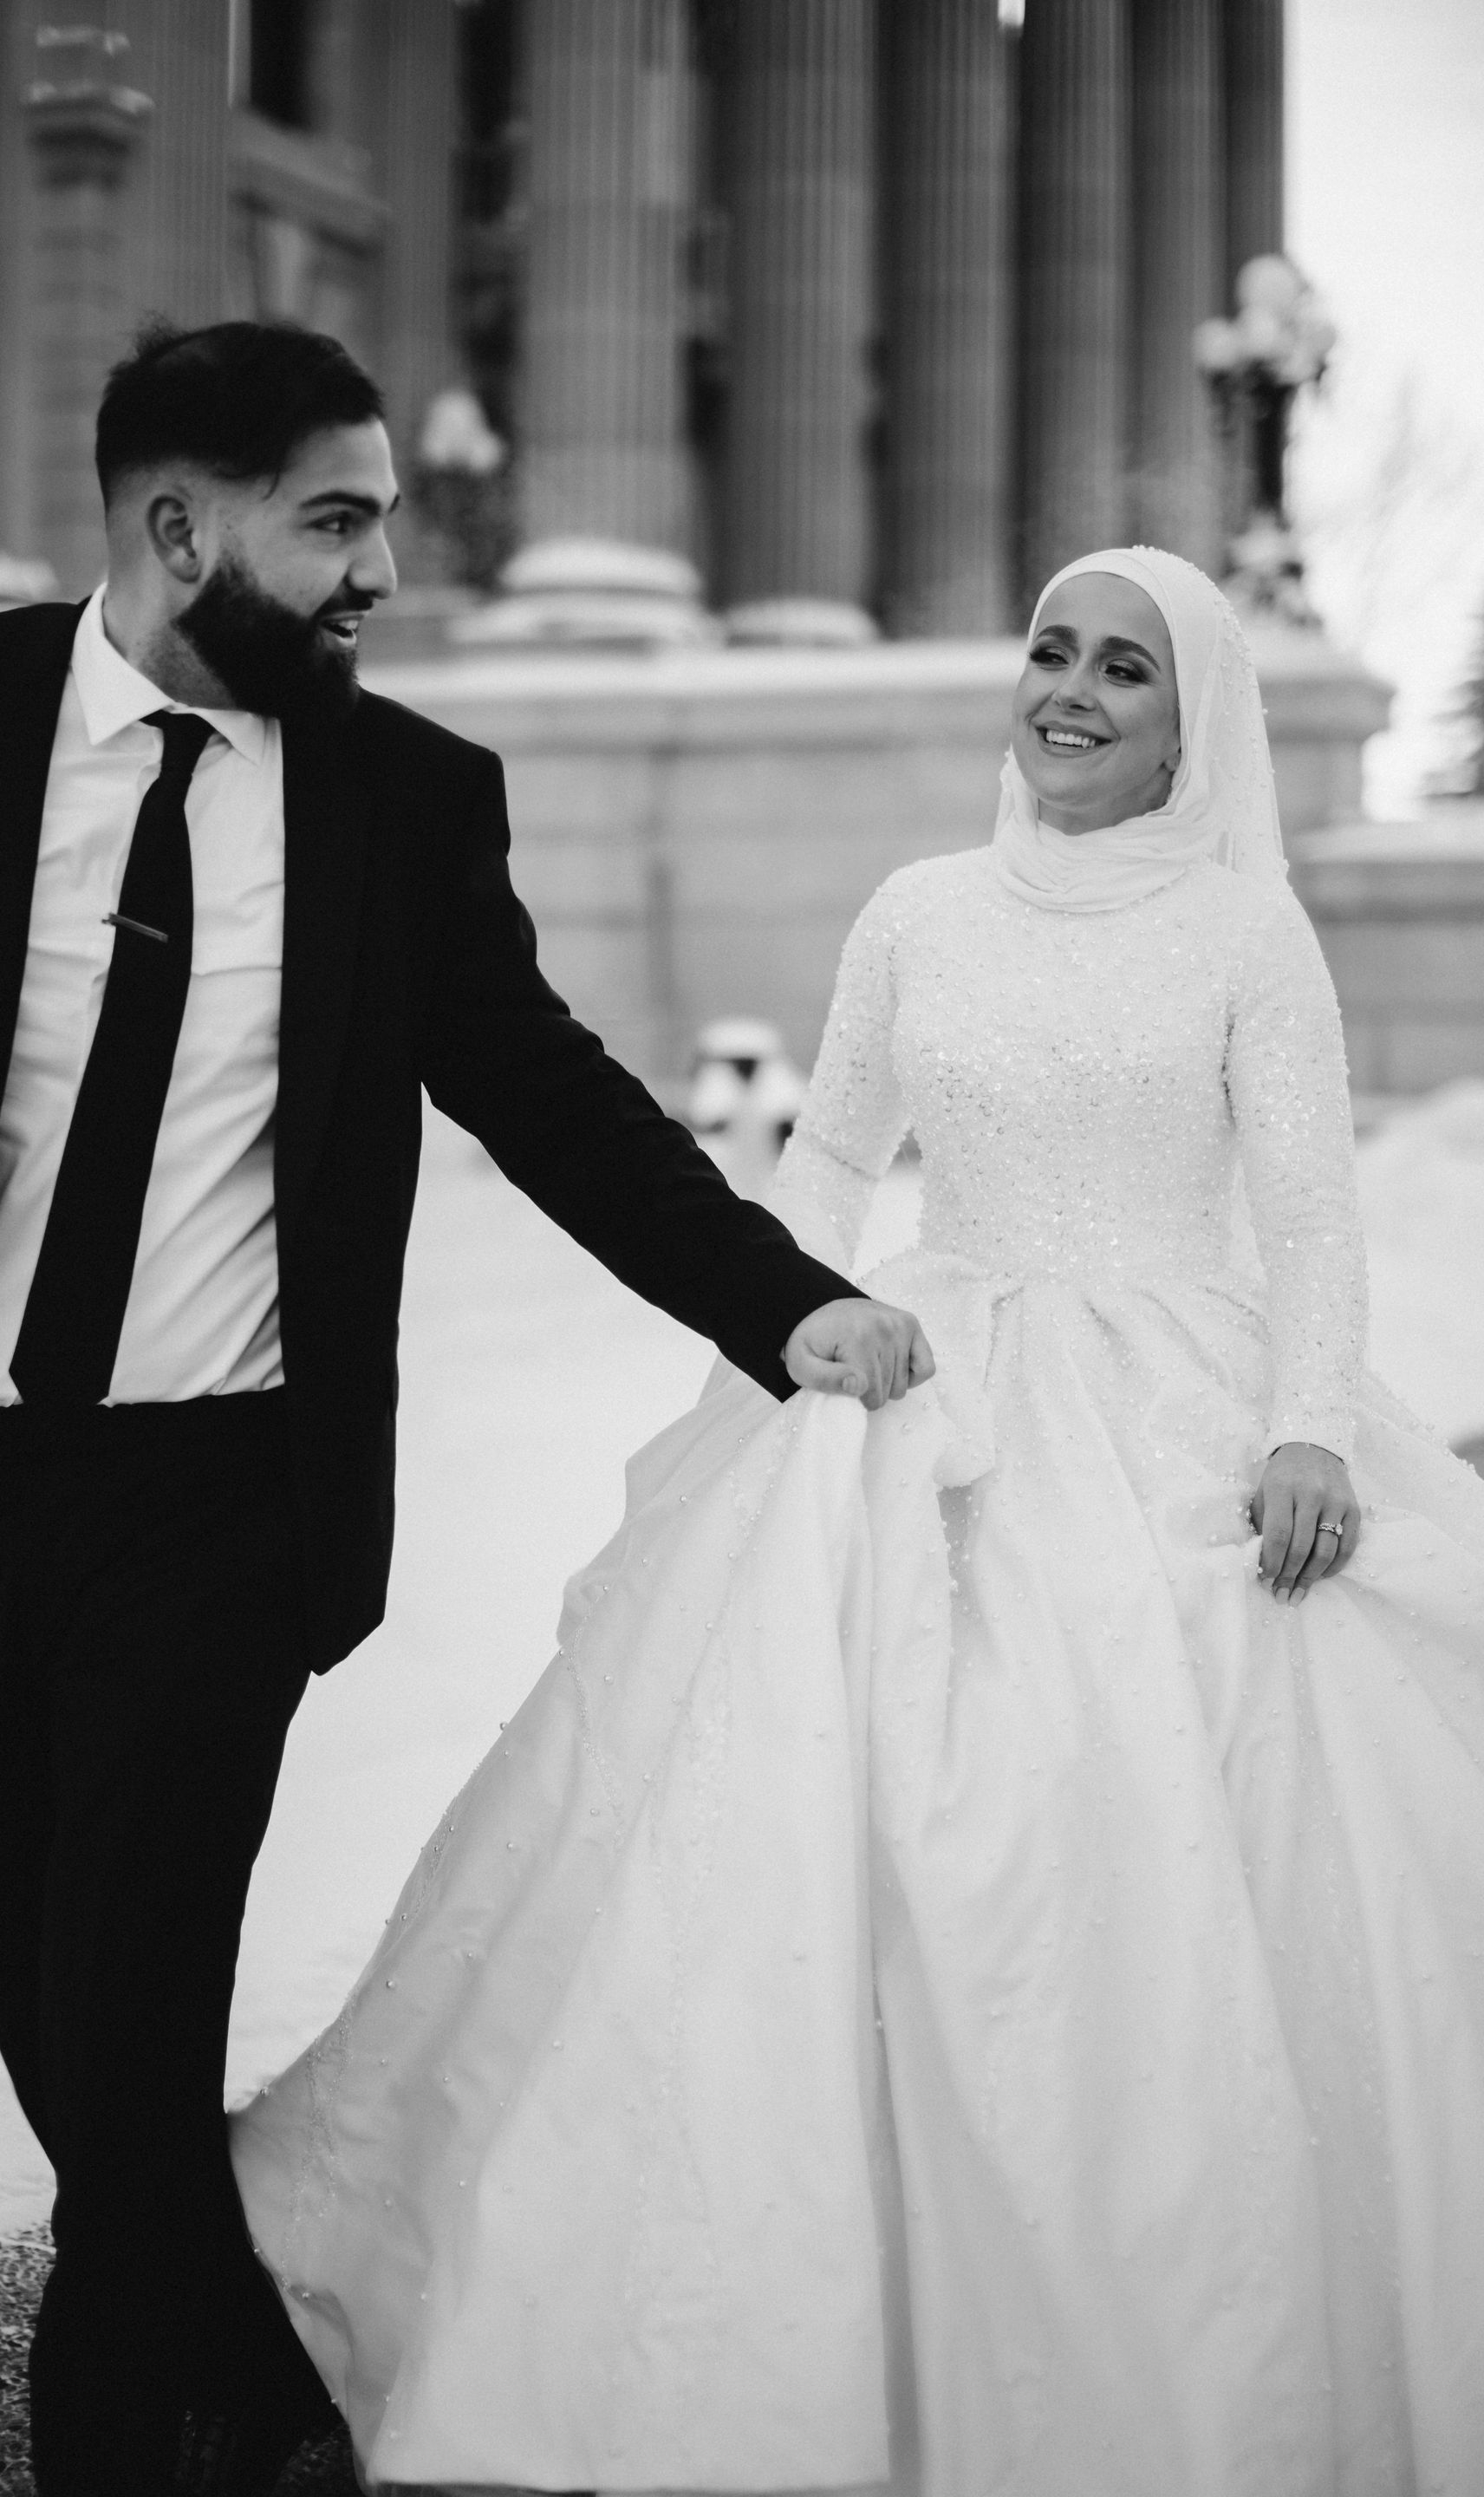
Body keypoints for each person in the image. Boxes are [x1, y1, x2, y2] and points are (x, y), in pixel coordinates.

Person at [232, 546, 1484, 2496]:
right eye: (1054, 650)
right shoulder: (919, 911)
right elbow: (831, 1149)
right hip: (928, 1369)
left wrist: (1312, 1429)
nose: (1068, 690)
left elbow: (1310, 1212)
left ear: (1194, 722)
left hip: (1181, 1400)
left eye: (1125, 671)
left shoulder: (1251, 939)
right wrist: (775, 1347)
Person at [0, 317, 929, 2497]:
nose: (377, 572)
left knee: (123, 2030)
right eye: (336, 520)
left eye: (382, 523)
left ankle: (141, 2451)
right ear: (179, 525)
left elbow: (548, 1094)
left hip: (218, 1507)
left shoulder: (408, 799)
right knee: (85, 2071)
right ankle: (271, 2392)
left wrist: (781, 1304)